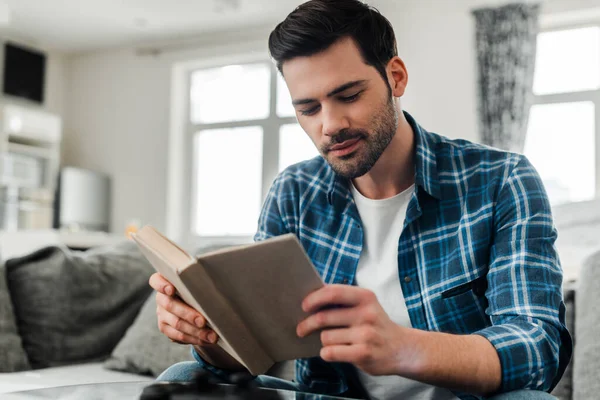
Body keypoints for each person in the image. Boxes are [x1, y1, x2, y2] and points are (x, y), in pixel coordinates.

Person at [149, 0, 572, 399]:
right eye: (308, 108)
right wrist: (205, 334)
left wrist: (404, 348)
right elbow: (250, 358)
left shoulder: (501, 179)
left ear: (396, 77)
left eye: (348, 96)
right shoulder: (293, 192)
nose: (330, 125)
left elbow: (537, 347)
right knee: (183, 378)